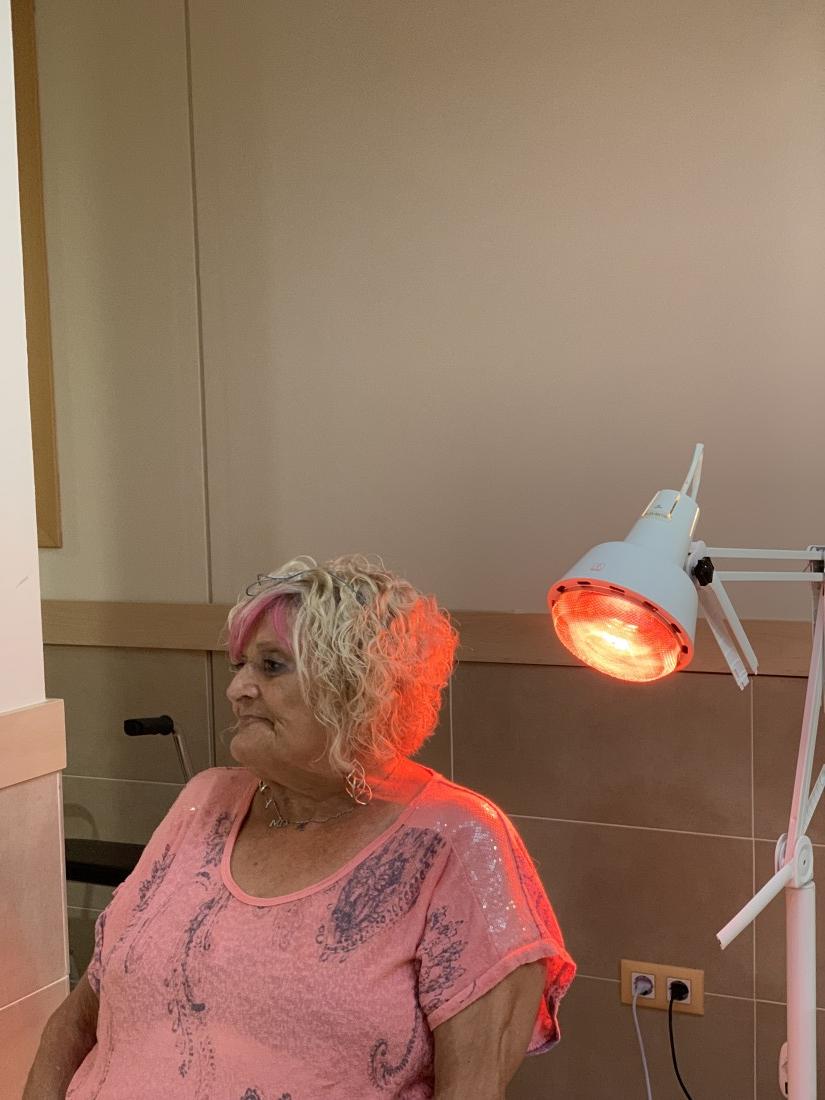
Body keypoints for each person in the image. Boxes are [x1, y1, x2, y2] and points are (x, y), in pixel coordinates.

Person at [25, 555, 575, 1099]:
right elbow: (75, 1023)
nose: (237, 690)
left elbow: (472, 1089)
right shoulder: (203, 801)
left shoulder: (456, 840)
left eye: (271, 666)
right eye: (240, 665)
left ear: (359, 687)